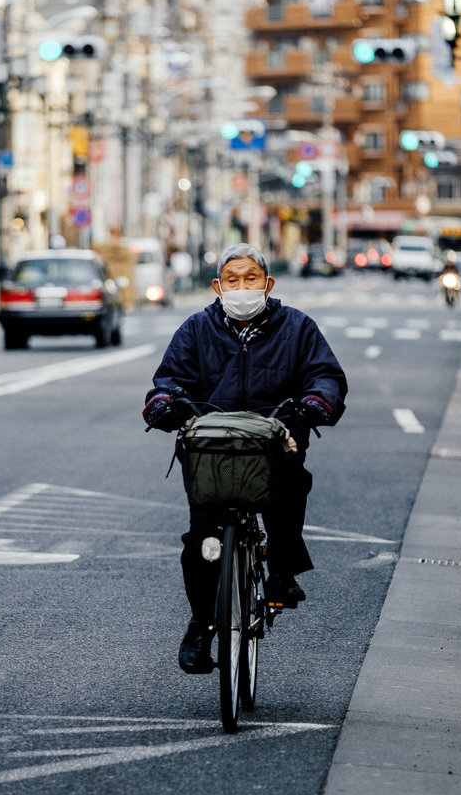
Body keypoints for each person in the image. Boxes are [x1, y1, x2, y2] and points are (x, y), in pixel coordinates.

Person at [142, 242, 348, 674]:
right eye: (231, 280)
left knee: (292, 483)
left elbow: (325, 375)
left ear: (268, 284)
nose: (241, 287)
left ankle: (281, 569)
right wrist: (162, 403)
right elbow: (167, 380)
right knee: (201, 542)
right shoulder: (196, 330)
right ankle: (201, 626)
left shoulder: (297, 327)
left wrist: (315, 404)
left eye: (250, 278)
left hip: (276, 444)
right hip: (212, 453)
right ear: (217, 287)